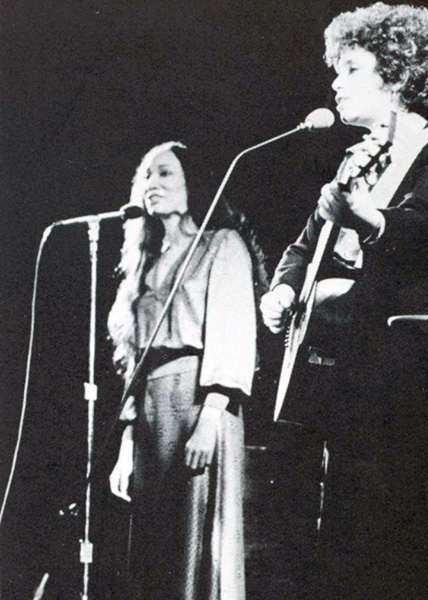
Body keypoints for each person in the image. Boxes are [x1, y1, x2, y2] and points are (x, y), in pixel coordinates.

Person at [260, 3, 428, 599]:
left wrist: (364, 216)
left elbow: (422, 224)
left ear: (400, 76)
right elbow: (303, 247)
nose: (334, 82)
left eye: (351, 68)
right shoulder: (355, 160)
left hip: (409, 381)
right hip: (343, 381)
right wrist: (281, 289)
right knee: (334, 539)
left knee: (394, 542)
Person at [108, 141, 259, 600]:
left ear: (194, 185)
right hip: (152, 413)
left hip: (199, 403)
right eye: (147, 177)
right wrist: (127, 443)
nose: (152, 185)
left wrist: (211, 416)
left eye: (165, 174)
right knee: (155, 549)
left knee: (198, 541)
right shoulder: (143, 268)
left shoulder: (221, 245)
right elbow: (135, 359)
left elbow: (234, 333)